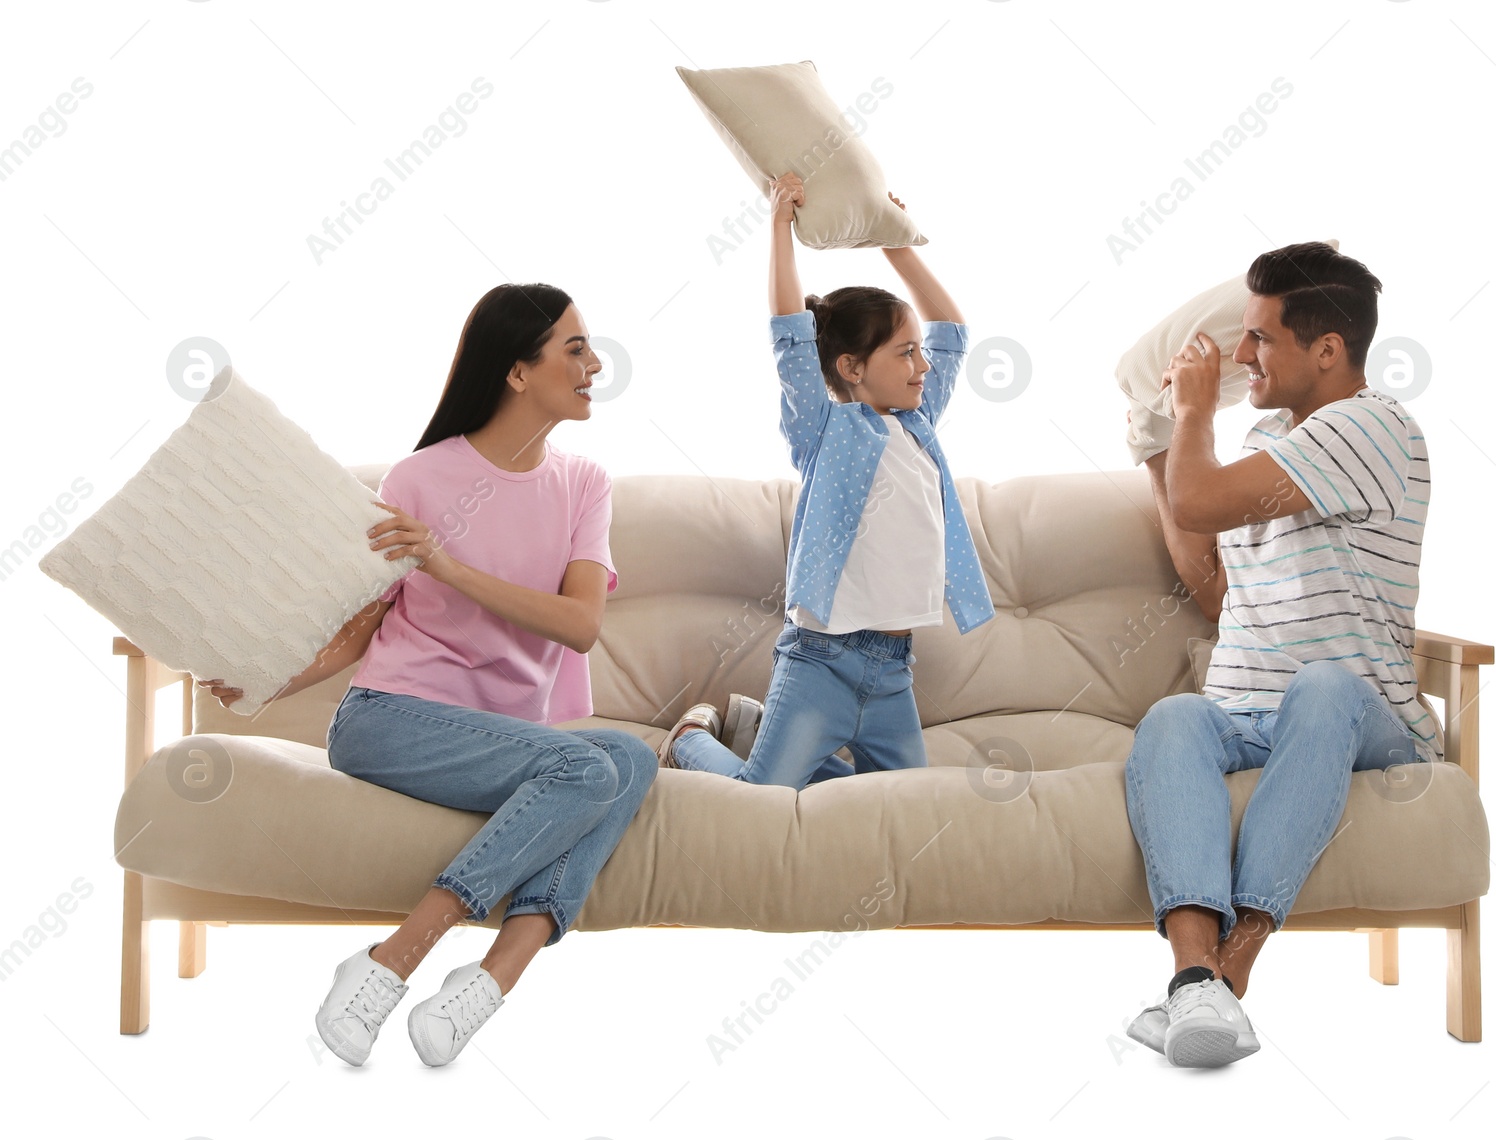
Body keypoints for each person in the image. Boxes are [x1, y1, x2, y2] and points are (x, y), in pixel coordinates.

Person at [197, 283, 655, 1068]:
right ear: (517, 371)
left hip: (503, 738)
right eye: (574, 350)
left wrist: (446, 564)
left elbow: (580, 627)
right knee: (588, 764)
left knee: (633, 759)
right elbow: (358, 630)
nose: (594, 366)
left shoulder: (583, 484)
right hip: (387, 720)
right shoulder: (417, 480)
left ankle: (482, 984)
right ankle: (393, 960)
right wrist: (264, 685)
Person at [1122, 242, 1439, 1067]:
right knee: (1175, 717)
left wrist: (1191, 416)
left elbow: (1200, 496)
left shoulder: (1371, 427)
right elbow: (1212, 584)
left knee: (1323, 687)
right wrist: (1154, 444)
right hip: (1248, 716)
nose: (1239, 356)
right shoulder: (1270, 439)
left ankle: (1233, 973)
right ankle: (1194, 983)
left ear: (1328, 351)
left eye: (1260, 337)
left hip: (1359, 720)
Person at [656, 173, 994, 787]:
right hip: (820, 663)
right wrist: (779, 226)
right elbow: (788, 329)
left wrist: (895, 245)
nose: (922, 364)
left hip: (893, 671)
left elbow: (954, 332)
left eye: (919, 352)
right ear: (850, 367)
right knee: (760, 802)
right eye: (904, 353)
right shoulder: (826, 431)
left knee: (903, 808)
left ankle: (760, 736)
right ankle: (693, 743)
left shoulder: (918, 424)